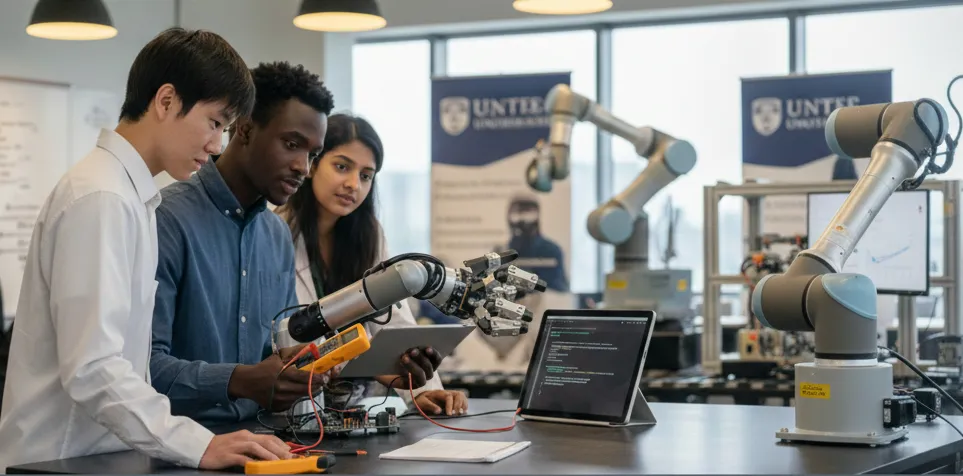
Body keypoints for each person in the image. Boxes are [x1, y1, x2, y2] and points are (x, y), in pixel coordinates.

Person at [0, 28, 292, 472]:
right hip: (60, 458)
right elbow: (94, 367)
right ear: (167, 101)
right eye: (214, 123)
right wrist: (198, 444)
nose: (217, 146)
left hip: (98, 456)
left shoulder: (131, 196)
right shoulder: (102, 197)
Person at [148, 62, 444, 427]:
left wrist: (386, 369)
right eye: (291, 145)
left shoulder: (273, 237)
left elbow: (286, 355)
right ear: (244, 128)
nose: (303, 167)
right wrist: (240, 380)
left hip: (268, 439)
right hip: (179, 445)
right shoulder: (166, 219)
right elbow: (143, 367)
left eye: (312, 154)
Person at [276, 114, 468, 416]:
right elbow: (283, 337)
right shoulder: (275, 232)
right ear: (312, 164)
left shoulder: (370, 235)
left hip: (355, 412)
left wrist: (426, 392)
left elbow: (396, 324)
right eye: (342, 167)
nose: (353, 184)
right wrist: (358, 362)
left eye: (366, 175)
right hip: (294, 411)